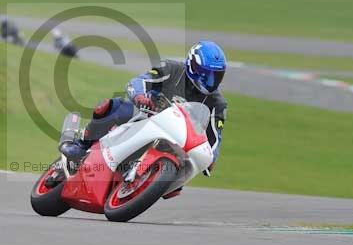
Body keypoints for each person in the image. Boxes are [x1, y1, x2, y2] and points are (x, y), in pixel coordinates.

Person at [60, 41, 228, 175]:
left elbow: (214, 138)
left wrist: (210, 159)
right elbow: (139, 81)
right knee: (113, 107)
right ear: (193, 65)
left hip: (176, 140)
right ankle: (82, 143)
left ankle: (152, 181)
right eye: (207, 75)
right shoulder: (171, 68)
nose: (211, 82)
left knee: (186, 166)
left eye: (216, 77)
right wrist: (140, 96)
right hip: (146, 116)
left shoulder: (217, 104)